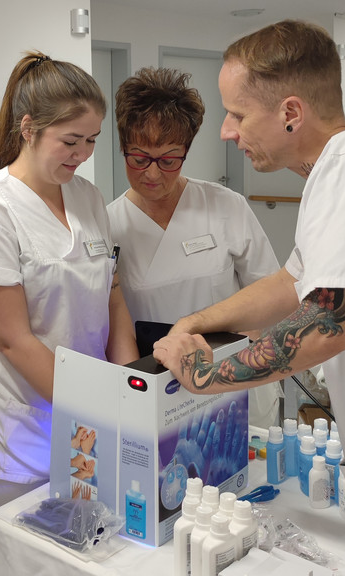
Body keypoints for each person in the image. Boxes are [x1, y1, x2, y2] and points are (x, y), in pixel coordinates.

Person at [152, 20, 345, 575]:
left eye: (237, 114)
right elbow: (291, 284)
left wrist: (206, 376)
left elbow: (327, 318)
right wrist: (197, 320)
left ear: (291, 113)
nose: (227, 132)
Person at [0, 51, 139, 543]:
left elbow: (112, 301)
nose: (82, 153)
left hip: (81, 419)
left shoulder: (87, 198)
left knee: (82, 552)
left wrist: (132, 390)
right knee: (16, 558)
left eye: (92, 141)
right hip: (10, 427)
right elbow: (13, 340)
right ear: (28, 129)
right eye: (70, 141)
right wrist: (101, 410)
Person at [107, 67, 281, 428]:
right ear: (122, 147)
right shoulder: (108, 226)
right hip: (161, 390)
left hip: (239, 378)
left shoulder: (225, 206)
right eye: (139, 158)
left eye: (169, 160)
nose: (152, 174)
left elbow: (271, 292)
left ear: (186, 151)